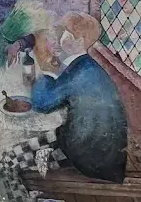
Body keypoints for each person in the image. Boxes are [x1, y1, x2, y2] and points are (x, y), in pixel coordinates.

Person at [13, 12, 128, 183]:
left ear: (79, 40)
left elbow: (40, 104)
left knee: (7, 160)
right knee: (48, 136)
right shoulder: (88, 66)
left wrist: (45, 71)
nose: (59, 34)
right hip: (108, 157)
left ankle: (30, 199)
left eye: (65, 31)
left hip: (85, 157)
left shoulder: (77, 72)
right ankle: (45, 156)